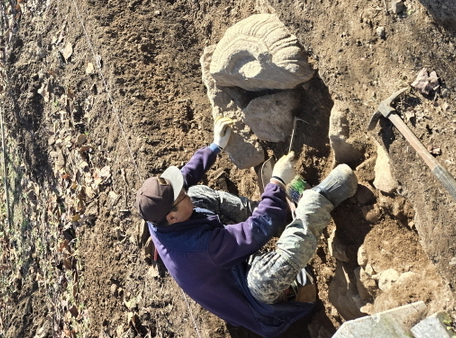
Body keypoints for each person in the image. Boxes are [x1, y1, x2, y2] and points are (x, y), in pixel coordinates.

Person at [135, 117, 358, 337]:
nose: (184, 190)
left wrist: (215, 146)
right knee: (263, 279)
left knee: (198, 195)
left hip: (230, 265)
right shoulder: (202, 248)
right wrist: (277, 181)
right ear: (172, 217)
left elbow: (185, 177)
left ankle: (278, 214)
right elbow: (256, 230)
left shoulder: (157, 215)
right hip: (258, 306)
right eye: (180, 195)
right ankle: (318, 200)